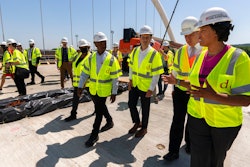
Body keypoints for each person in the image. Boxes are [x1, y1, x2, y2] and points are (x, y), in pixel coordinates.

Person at [163, 7, 250, 167]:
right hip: (197, 119)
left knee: (215, 161)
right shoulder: (200, 56)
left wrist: (214, 96)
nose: (199, 34)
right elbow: (196, 86)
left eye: (202, 29)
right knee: (198, 161)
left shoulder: (239, 58)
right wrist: (177, 83)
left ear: (216, 31)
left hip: (223, 124)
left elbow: (245, 100)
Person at [163, 16, 203, 161]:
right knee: (177, 121)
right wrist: (174, 87)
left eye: (191, 34)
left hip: (197, 93)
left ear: (199, 32)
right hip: (180, 91)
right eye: (185, 35)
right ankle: (173, 151)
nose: (187, 38)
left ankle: (190, 144)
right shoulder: (180, 52)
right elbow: (175, 72)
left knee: (193, 122)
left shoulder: (206, 52)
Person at [77, 32, 122, 147]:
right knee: (101, 108)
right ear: (95, 44)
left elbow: (115, 78)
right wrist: (80, 86)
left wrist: (114, 92)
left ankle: (94, 134)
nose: (103, 44)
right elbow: (84, 74)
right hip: (93, 90)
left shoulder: (112, 59)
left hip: (104, 91)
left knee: (98, 112)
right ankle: (110, 121)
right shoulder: (91, 58)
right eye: (101, 42)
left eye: (105, 42)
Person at [128, 25, 164, 138]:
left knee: (145, 108)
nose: (145, 39)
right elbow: (131, 67)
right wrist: (130, 80)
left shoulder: (154, 54)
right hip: (135, 83)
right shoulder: (134, 51)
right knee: (131, 104)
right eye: (143, 37)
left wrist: (151, 88)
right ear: (139, 37)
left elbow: (156, 74)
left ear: (150, 38)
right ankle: (137, 122)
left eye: (147, 37)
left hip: (146, 86)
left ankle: (144, 128)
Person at [64, 39, 91, 122]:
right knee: (75, 99)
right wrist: (72, 77)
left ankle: (100, 110)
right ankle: (73, 114)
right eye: (81, 47)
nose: (83, 48)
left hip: (87, 83)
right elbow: (71, 64)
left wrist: (83, 84)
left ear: (88, 47)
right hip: (77, 83)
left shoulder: (91, 57)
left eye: (84, 47)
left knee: (95, 98)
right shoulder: (77, 56)